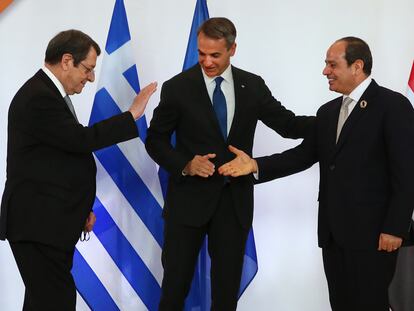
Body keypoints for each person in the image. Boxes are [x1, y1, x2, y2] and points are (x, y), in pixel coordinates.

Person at [218, 37, 414, 311]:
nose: (325, 71)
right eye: (326, 64)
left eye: (332, 64)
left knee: (370, 304)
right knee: (342, 304)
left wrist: (395, 227)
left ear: (357, 66)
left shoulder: (393, 106)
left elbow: (406, 173)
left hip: (374, 235)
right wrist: (255, 166)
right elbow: (302, 156)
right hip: (333, 233)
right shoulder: (328, 112)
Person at [145, 17, 313, 310]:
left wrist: (334, 119)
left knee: (225, 292)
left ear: (232, 49)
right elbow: (155, 141)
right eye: (201, 54)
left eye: (215, 55)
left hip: (233, 203)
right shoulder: (177, 88)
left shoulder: (253, 85)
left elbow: (287, 124)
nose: (206, 62)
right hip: (188, 203)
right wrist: (186, 163)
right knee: (175, 288)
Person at [0, 29, 157, 311]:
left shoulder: (46, 94)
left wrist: (80, 209)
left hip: (46, 224)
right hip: (37, 224)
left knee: (43, 303)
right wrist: (131, 116)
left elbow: (59, 161)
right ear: (67, 60)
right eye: (88, 69)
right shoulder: (40, 97)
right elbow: (80, 141)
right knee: (55, 302)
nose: (91, 77)